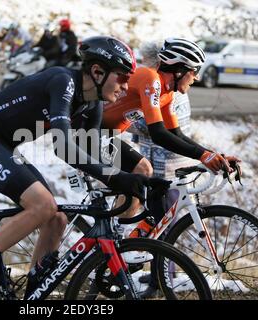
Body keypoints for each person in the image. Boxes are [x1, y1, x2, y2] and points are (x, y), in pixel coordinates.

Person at [0, 36, 170, 299]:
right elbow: (64, 147)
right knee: (43, 205)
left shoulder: (93, 104)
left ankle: (34, 298)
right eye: (122, 77)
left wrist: (138, 175)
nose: (126, 86)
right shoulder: (63, 82)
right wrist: (117, 179)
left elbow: (91, 149)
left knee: (56, 218)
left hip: (7, 146)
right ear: (98, 72)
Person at [101, 38, 242, 297]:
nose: (196, 78)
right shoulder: (150, 78)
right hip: (87, 135)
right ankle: (122, 243)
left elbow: (175, 133)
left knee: (151, 189)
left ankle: (127, 247)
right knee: (144, 171)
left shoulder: (167, 94)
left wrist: (212, 155)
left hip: (106, 138)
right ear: (179, 70)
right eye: (194, 72)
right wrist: (202, 156)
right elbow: (158, 135)